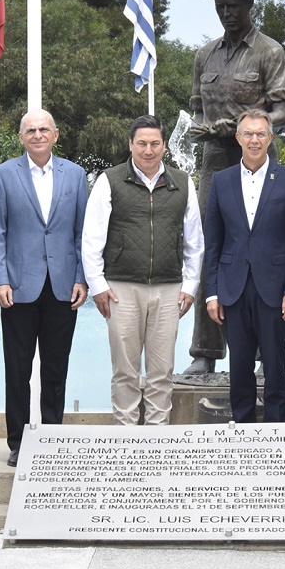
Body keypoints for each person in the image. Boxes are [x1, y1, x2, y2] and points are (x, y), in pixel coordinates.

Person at [184, 0, 285, 376]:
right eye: (220, 6)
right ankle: (204, 352)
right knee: (209, 247)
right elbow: (196, 108)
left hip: (258, 156)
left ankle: (266, 352)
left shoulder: (269, 51)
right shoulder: (203, 55)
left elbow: (281, 108)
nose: (226, 12)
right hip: (215, 160)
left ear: (249, 4)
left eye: (233, 5)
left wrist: (250, 124)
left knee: (263, 247)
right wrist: (206, 128)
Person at [82, 115, 204, 425]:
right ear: (131, 145)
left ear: (164, 145)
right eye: (142, 143)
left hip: (168, 288)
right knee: (125, 370)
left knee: (162, 371)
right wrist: (97, 286)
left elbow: (194, 242)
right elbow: (91, 238)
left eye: (154, 143)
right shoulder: (109, 180)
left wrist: (190, 286)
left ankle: (156, 438)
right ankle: (126, 436)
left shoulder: (183, 183)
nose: (148, 150)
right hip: (121, 288)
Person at [0, 109, 88, 467]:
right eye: (31, 130)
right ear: (21, 136)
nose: (38, 134)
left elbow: (81, 234)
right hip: (18, 287)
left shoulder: (75, 176)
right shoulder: (3, 175)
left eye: (44, 129)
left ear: (56, 135)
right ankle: (18, 441)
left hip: (63, 286)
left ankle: (53, 435)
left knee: (56, 367)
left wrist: (82, 277)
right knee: (17, 368)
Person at [204, 109, 285, 423]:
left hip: (274, 291)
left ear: (270, 138)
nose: (254, 139)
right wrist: (211, 293)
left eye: (260, 133)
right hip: (232, 289)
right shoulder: (220, 182)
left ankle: (276, 434)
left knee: (275, 366)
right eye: (248, 133)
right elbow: (214, 243)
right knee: (240, 367)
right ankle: (244, 432)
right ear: (237, 138)